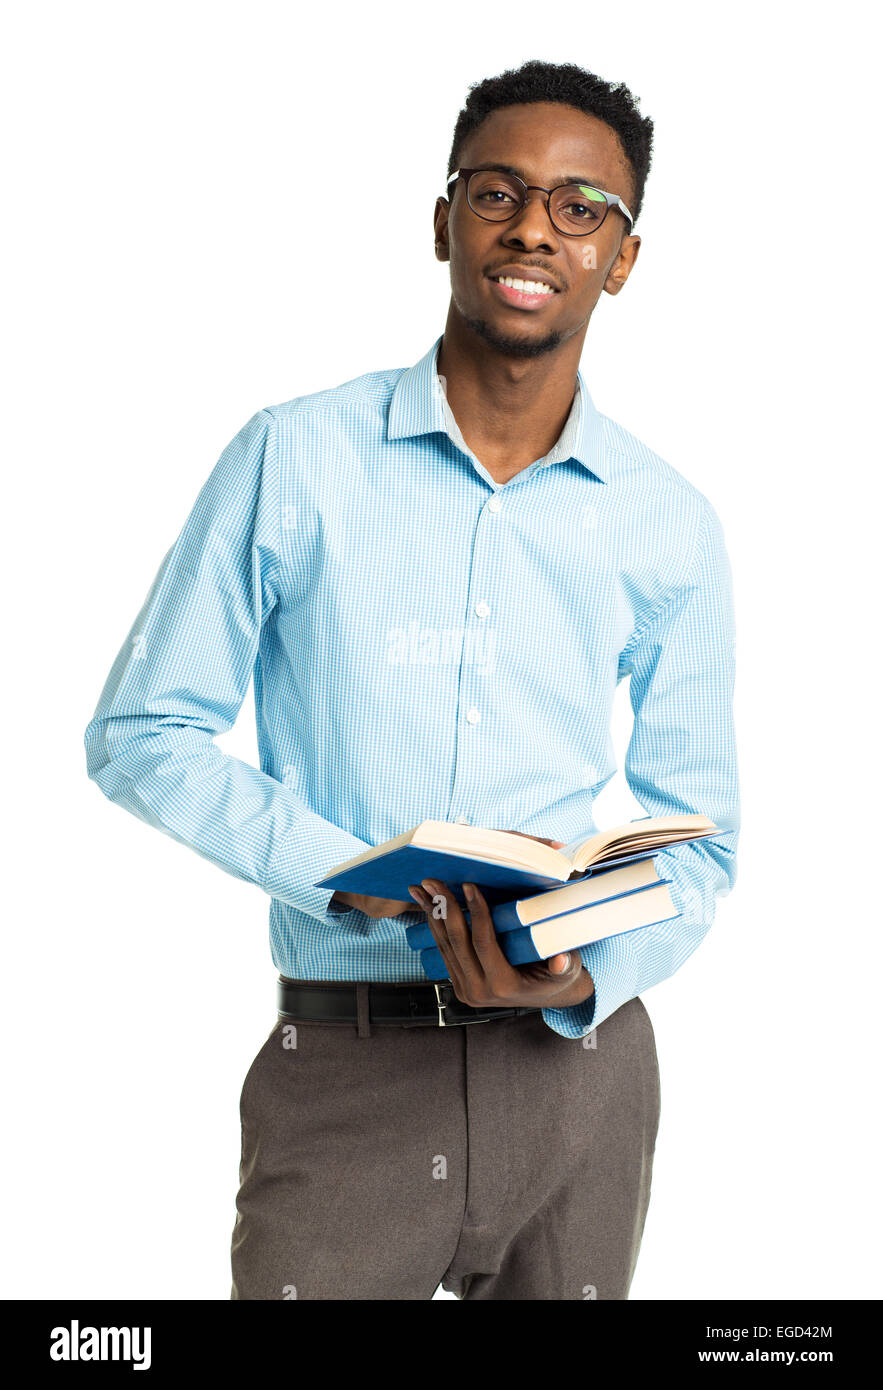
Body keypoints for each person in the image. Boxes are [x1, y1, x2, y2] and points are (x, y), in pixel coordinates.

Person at [84, 58, 739, 1300]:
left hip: (580, 1083)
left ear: (623, 255)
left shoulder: (670, 523)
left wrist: (584, 967)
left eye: (579, 205)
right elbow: (141, 729)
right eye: (499, 192)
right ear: (445, 221)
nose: (535, 225)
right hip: (345, 1070)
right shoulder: (293, 457)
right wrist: (344, 879)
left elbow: (701, 848)